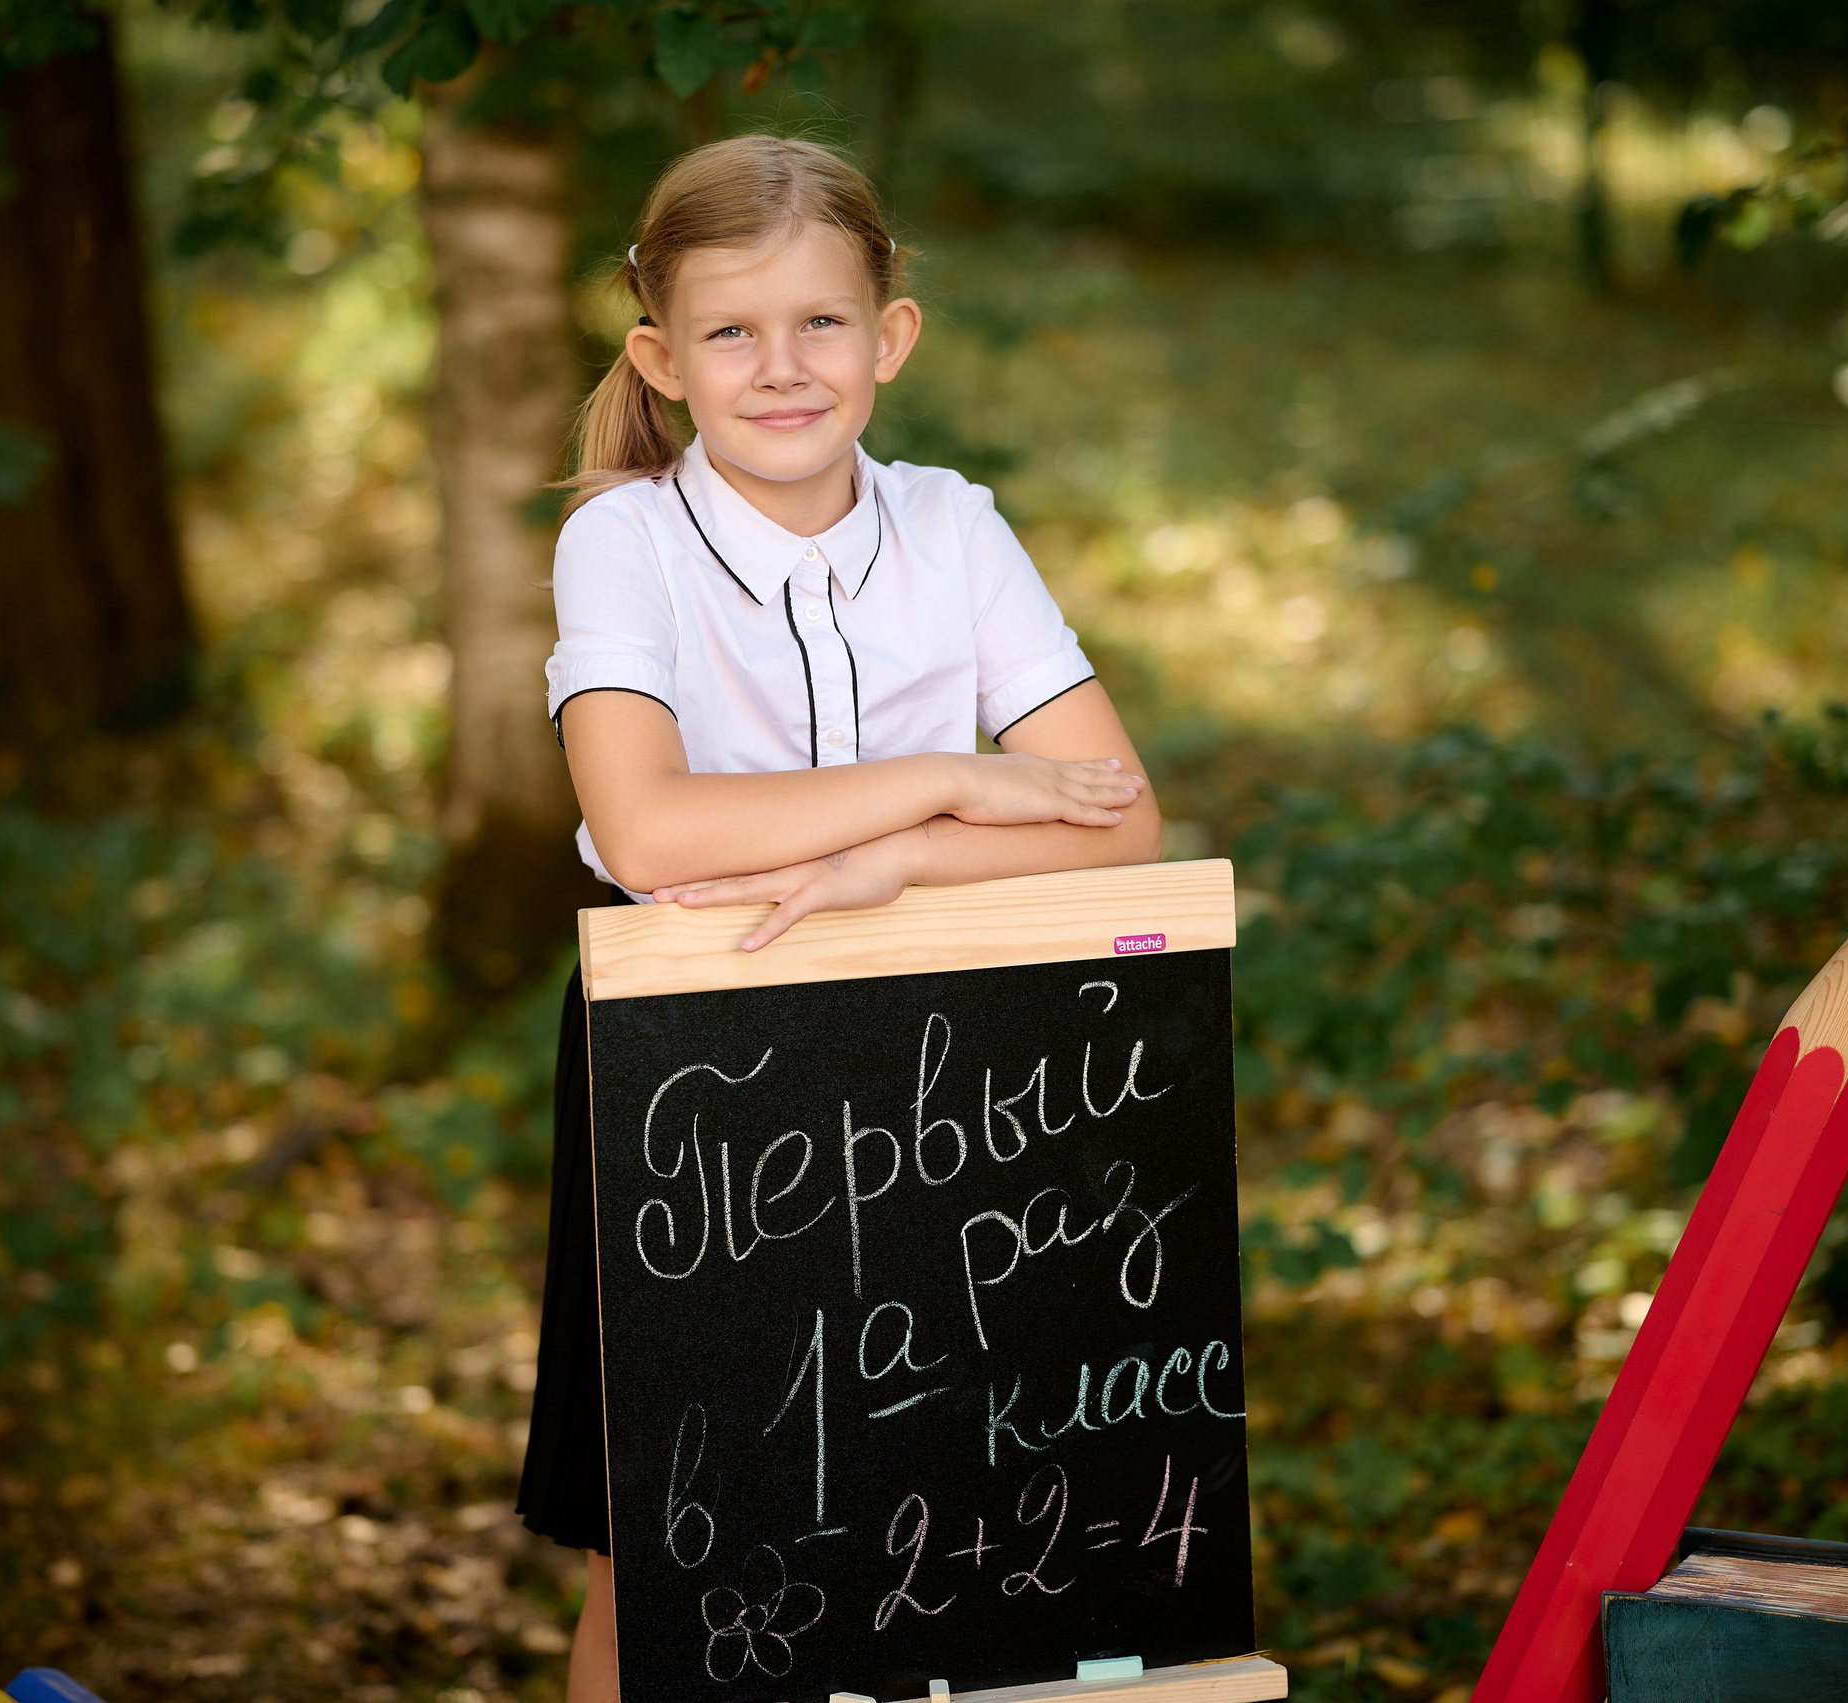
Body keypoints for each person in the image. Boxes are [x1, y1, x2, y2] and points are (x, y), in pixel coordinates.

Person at [516, 133, 1163, 1703]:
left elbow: (1121, 823)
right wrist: (949, 781)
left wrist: (899, 866)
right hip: (692, 1062)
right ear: (661, 359)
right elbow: (649, 825)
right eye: (732, 332)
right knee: (670, 1533)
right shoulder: (625, 538)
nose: (782, 368)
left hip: (963, 1067)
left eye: (820, 324)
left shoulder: (952, 526)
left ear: (891, 337)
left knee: (947, 1501)